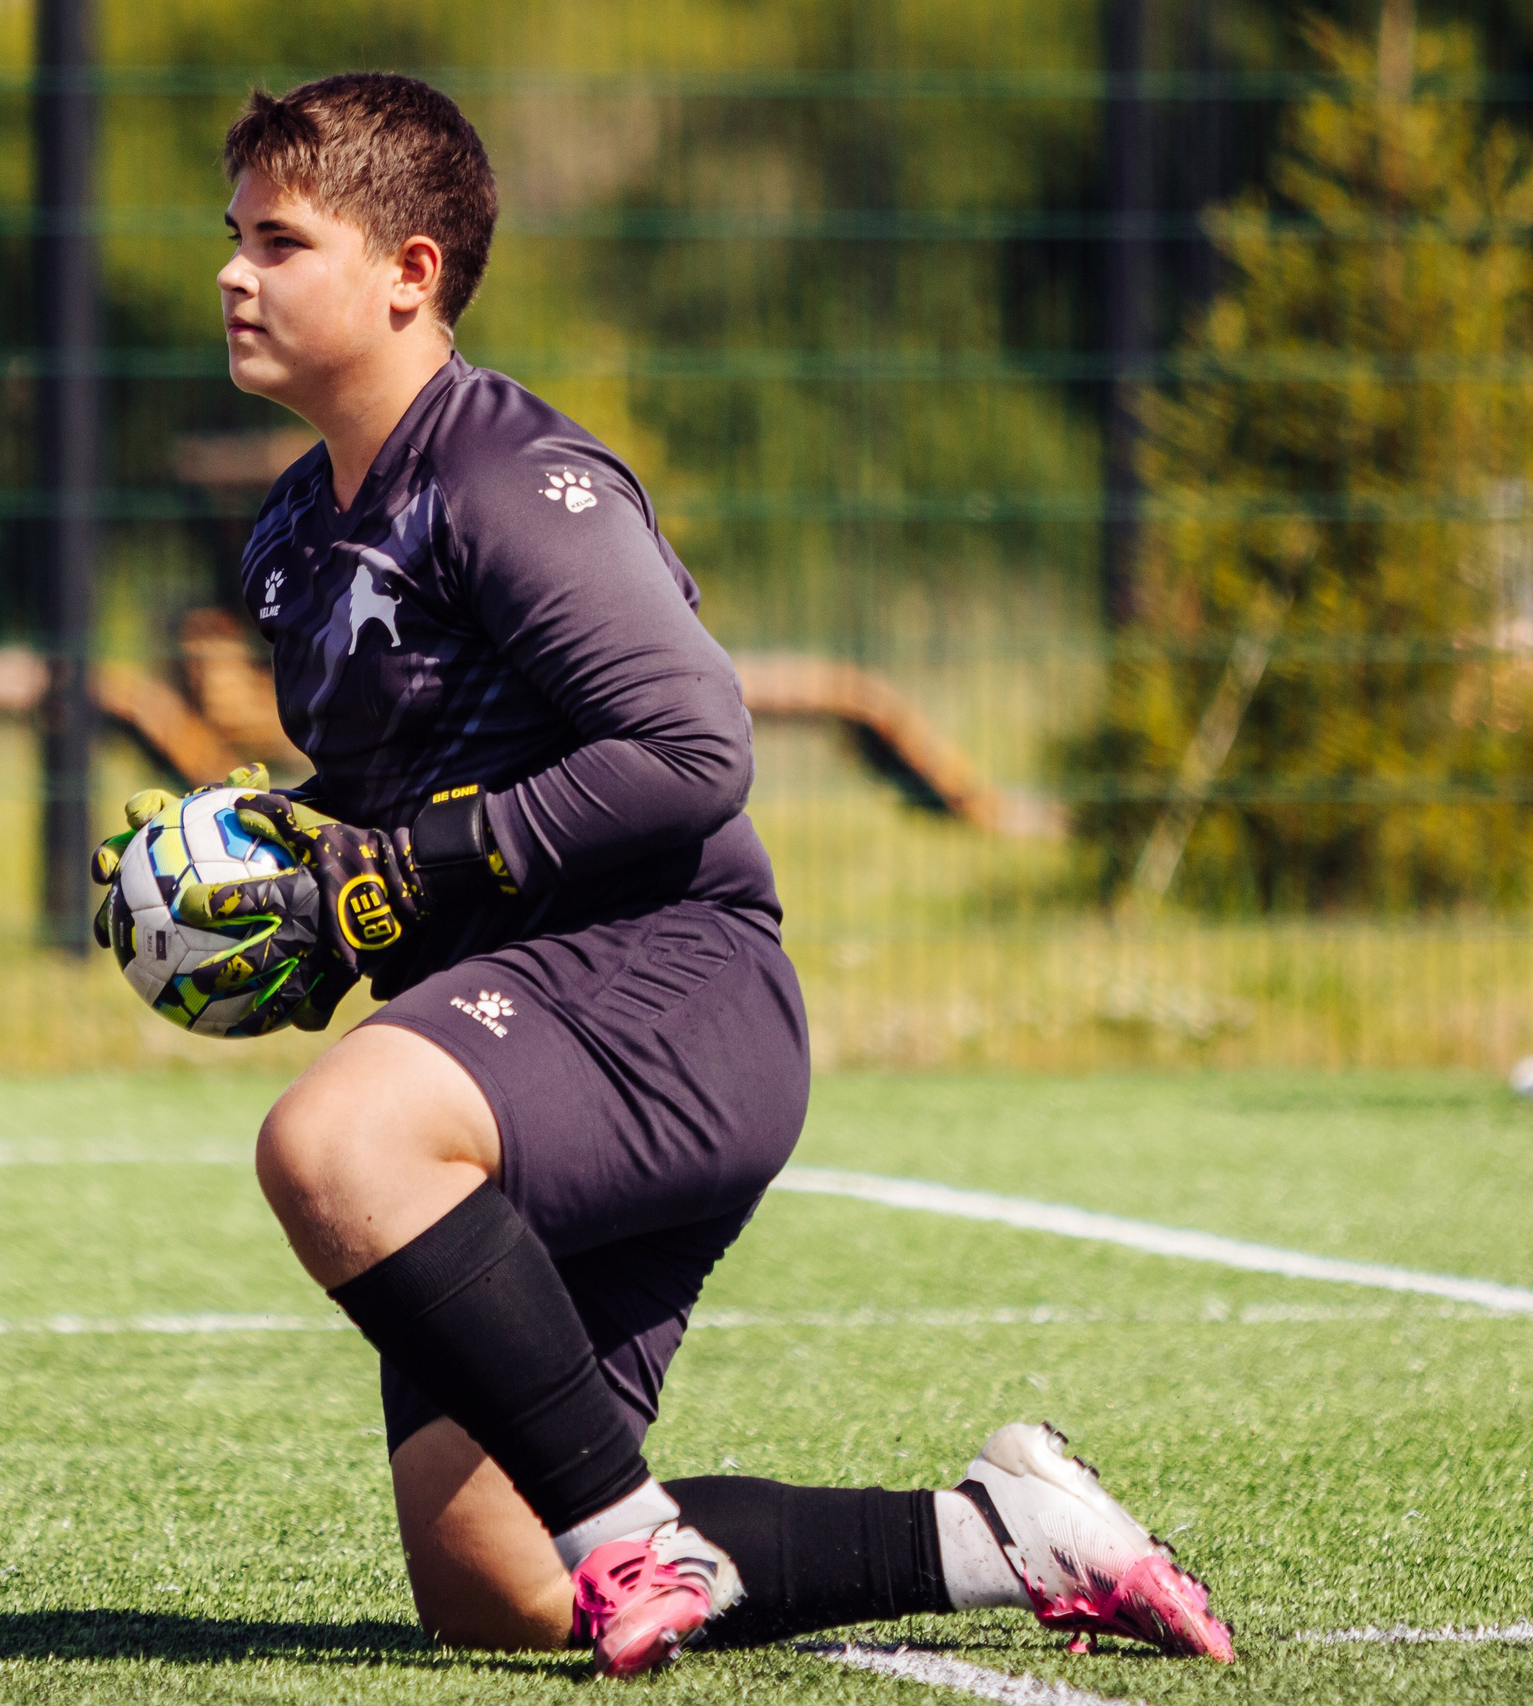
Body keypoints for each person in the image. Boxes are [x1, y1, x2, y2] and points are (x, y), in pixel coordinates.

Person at [92, 73, 1236, 1676]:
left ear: (411, 272)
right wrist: (266, 892)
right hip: (513, 1041)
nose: (232, 272)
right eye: (232, 237)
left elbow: (694, 749)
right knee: (498, 1589)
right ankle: (998, 1532)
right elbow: (390, 812)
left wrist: (397, 872)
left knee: (334, 1142)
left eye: (279, 241)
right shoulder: (293, 532)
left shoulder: (508, 478)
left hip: (667, 994)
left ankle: (632, 1534)